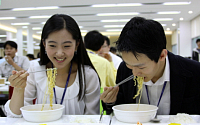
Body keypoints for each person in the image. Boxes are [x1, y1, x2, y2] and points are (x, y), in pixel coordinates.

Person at [5, 14, 100, 117]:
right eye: (52, 46)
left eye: (67, 46)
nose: (59, 53)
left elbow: (92, 117)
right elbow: (16, 115)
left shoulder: (88, 75)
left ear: (77, 45)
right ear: (44, 44)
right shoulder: (35, 69)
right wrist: (19, 89)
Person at [101, 17, 200, 115]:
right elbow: (120, 106)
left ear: (162, 55)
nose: (134, 73)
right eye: (129, 65)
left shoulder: (194, 72)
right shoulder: (124, 69)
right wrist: (110, 101)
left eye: (141, 67)